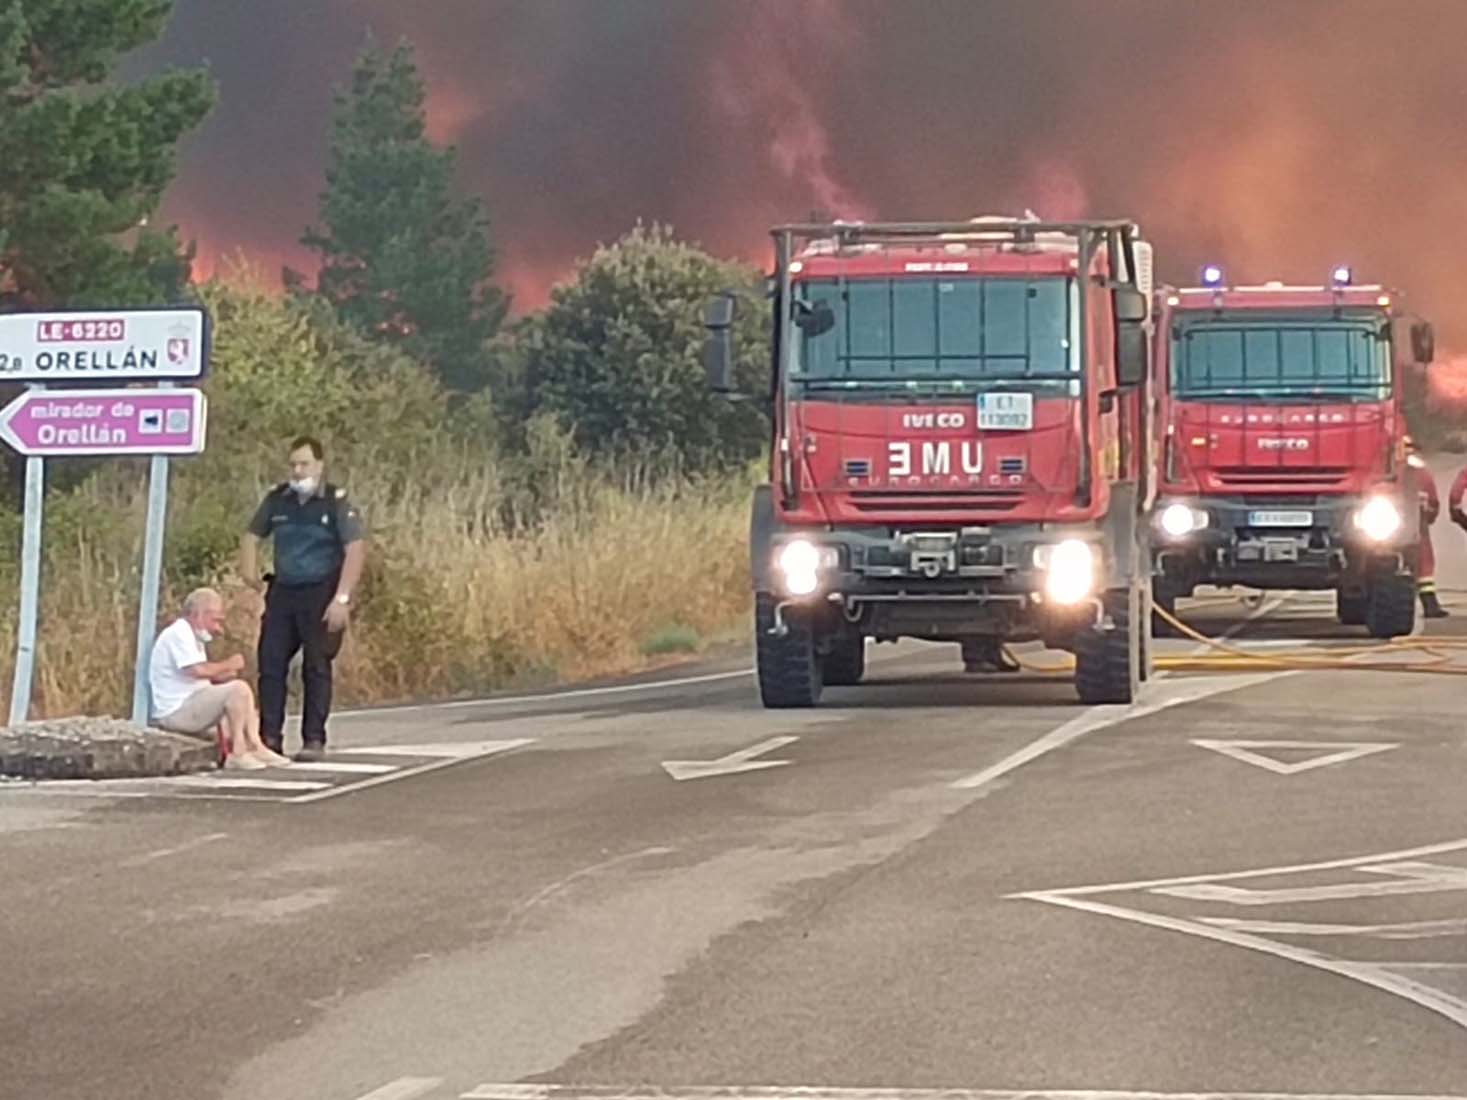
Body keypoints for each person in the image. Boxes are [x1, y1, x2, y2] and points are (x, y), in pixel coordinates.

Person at [239, 435, 366, 762]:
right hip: (284, 591)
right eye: (293, 464)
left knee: (316, 665)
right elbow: (252, 535)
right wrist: (249, 574)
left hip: (321, 591)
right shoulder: (278, 499)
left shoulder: (335, 502)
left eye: (304, 464)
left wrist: (341, 598)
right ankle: (270, 737)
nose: (298, 471)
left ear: (319, 466)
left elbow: (354, 549)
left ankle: (313, 739)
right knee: (270, 662)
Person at [149, 588, 291, 769]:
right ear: (199, 614)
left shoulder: (193, 637)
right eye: (214, 620)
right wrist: (228, 664)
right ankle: (238, 752)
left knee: (244, 701)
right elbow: (196, 670)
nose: (217, 627)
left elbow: (195, 675)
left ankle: (255, 745)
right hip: (176, 710)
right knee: (238, 690)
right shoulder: (179, 633)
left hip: (190, 701)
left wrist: (222, 675)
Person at [1406, 443, 1448, 618]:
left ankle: (1428, 603)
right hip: (1415, 522)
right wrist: (1428, 516)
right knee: (1423, 562)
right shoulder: (1420, 472)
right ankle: (1429, 603)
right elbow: (1433, 502)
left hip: (1408, 522)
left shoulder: (1417, 473)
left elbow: (1432, 502)